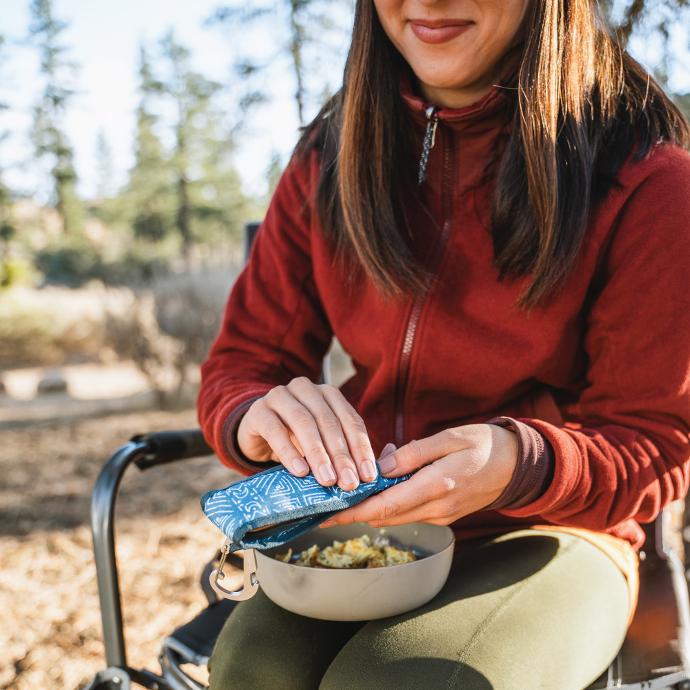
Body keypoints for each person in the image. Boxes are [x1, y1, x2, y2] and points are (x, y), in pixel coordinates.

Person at [197, 0, 690, 687]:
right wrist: (253, 415)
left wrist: (526, 461)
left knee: (401, 680)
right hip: (362, 525)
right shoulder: (327, 157)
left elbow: (655, 446)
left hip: (557, 531)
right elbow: (246, 362)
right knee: (253, 667)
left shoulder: (647, 180)